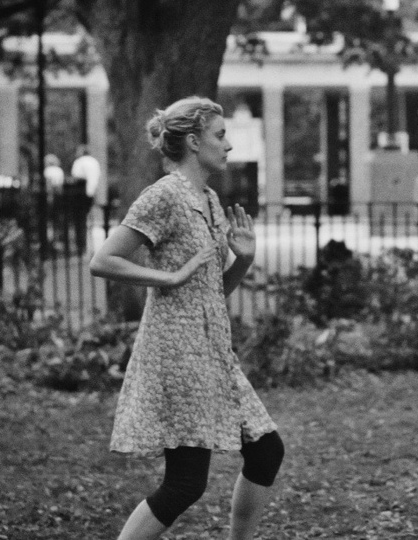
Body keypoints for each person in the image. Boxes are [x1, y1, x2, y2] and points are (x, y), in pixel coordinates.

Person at [89, 96, 284, 540]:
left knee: (266, 451)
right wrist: (169, 277)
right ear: (194, 142)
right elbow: (103, 260)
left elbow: (211, 291)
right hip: (179, 355)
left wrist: (243, 260)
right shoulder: (165, 195)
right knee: (185, 483)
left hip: (214, 355)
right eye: (221, 135)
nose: (229, 145)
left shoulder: (209, 199)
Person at [68, 145, 101, 253]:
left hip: (79, 192)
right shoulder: (95, 162)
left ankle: (80, 245)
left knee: (78, 220)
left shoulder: (79, 162)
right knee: (84, 218)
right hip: (90, 193)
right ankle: (83, 244)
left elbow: (75, 175)